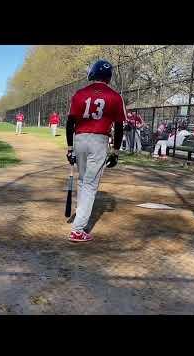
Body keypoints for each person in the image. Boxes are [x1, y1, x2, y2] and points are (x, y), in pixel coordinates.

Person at [66, 59, 125, 243]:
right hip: (99, 140)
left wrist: (70, 148)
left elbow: (69, 123)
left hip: (80, 139)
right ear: (108, 77)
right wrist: (115, 151)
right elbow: (119, 126)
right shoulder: (115, 96)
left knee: (84, 182)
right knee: (90, 185)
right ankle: (77, 230)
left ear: (92, 74)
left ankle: (79, 217)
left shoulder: (80, 94)